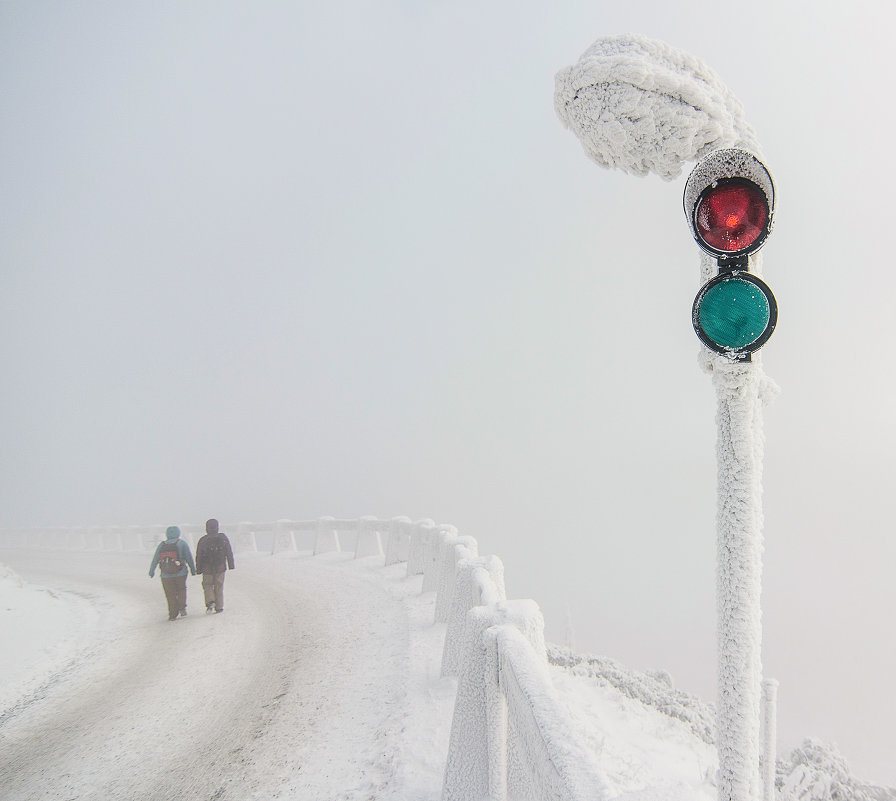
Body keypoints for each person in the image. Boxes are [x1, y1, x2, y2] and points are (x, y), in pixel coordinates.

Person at [149, 525, 196, 621]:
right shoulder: (182, 544)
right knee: (181, 589)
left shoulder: (162, 545)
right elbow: (188, 557)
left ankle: (172, 614)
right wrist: (193, 569)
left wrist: (152, 570)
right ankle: (182, 607)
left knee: (170, 594)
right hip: (181, 573)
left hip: (165, 575)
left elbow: (155, 559)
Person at [195, 518, 234, 614]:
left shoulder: (203, 540)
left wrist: (198, 569)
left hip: (207, 568)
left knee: (207, 585)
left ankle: (210, 601)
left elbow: (199, 555)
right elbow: (229, 552)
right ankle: (219, 607)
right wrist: (231, 564)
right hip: (220, 567)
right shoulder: (223, 538)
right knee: (219, 586)